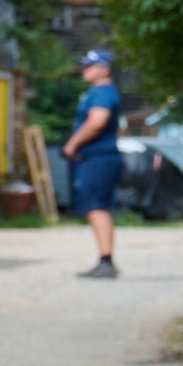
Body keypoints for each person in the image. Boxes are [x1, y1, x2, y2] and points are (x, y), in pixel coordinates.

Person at [58, 46, 125, 278]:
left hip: (99, 159)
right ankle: (105, 260)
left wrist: (72, 144)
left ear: (104, 69)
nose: (84, 69)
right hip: (96, 158)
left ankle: (106, 261)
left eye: (90, 65)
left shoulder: (103, 93)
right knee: (96, 207)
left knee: (96, 207)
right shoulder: (97, 92)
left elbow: (97, 122)